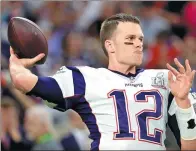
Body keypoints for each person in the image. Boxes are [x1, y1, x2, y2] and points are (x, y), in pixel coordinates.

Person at [9, 13, 196, 150]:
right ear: (110, 45)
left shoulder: (164, 79)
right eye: (130, 39)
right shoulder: (85, 78)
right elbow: (28, 83)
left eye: (140, 38)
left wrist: (183, 103)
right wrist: (17, 66)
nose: (139, 44)